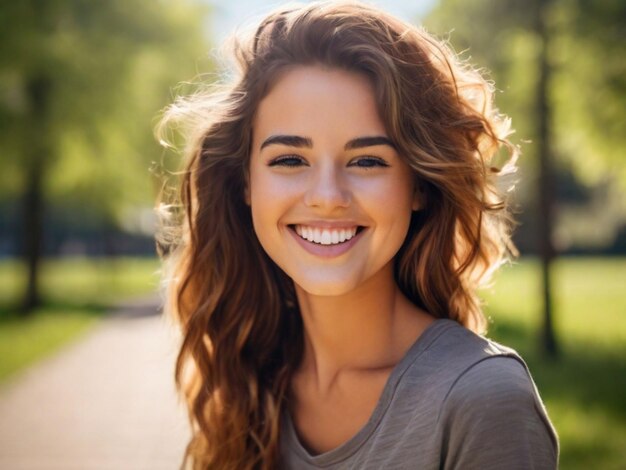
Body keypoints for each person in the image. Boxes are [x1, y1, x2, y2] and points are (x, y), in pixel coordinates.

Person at [157, 1, 559, 469]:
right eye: (289, 159)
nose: (327, 196)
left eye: (368, 161)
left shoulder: (481, 400)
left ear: (418, 187)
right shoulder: (247, 379)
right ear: (245, 182)